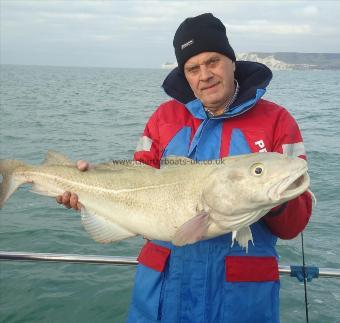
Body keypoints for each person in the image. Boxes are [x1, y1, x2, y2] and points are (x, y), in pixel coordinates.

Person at [57, 13, 313, 323]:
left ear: (232, 61)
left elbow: (292, 227)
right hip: (163, 296)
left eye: (213, 61)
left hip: (239, 301)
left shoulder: (277, 121)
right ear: (185, 75)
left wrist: (270, 200)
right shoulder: (163, 118)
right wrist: (90, 189)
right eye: (193, 68)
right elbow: (136, 184)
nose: (204, 75)